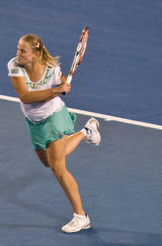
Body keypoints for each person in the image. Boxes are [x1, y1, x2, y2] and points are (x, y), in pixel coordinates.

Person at [7, 34, 101, 233]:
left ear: (34, 54)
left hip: (54, 117)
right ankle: (86, 131)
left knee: (58, 168)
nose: (18, 54)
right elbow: (25, 97)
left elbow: (63, 82)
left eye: (22, 51)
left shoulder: (52, 70)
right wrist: (57, 90)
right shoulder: (14, 66)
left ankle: (81, 216)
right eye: (18, 49)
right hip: (34, 121)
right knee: (47, 162)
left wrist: (63, 87)